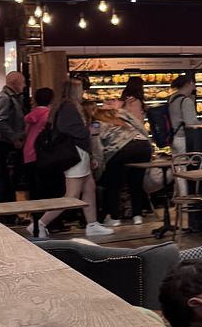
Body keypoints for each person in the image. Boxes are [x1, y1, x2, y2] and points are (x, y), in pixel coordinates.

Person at [35, 80, 114, 238]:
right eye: (81, 90)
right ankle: (39, 224)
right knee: (72, 194)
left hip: (79, 153)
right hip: (76, 154)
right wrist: (88, 131)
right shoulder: (69, 108)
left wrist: (89, 155)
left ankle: (92, 224)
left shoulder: (64, 106)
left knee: (89, 188)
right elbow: (70, 129)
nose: (83, 93)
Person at [94, 104, 153, 226]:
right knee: (136, 183)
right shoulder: (121, 114)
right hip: (142, 145)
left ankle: (115, 218)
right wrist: (147, 141)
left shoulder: (96, 123)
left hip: (121, 148)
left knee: (113, 185)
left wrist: (100, 167)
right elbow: (140, 126)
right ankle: (137, 216)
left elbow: (97, 146)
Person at [0, 69, 26, 202]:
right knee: (5, 179)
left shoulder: (12, 98)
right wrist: (14, 138)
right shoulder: (4, 98)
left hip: (7, 144)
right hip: (4, 145)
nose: (24, 85)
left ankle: (9, 208)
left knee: (9, 180)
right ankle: (5, 209)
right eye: (22, 82)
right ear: (14, 83)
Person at [23, 87, 54, 196]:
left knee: (33, 185)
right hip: (42, 152)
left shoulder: (32, 114)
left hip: (28, 150)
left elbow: (26, 132)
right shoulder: (49, 114)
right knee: (44, 186)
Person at [167, 73, 198, 154]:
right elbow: (190, 123)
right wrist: (201, 123)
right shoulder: (186, 101)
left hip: (173, 137)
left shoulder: (172, 98)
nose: (194, 88)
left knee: (176, 160)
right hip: (183, 139)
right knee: (184, 161)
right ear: (190, 83)